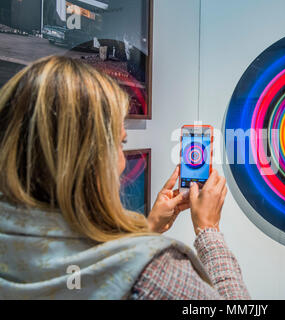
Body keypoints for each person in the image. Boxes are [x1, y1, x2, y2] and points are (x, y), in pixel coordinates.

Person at [0, 55, 250, 300]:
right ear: (88, 159)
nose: (122, 161)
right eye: (121, 143)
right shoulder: (154, 275)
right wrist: (208, 230)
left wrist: (149, 228)